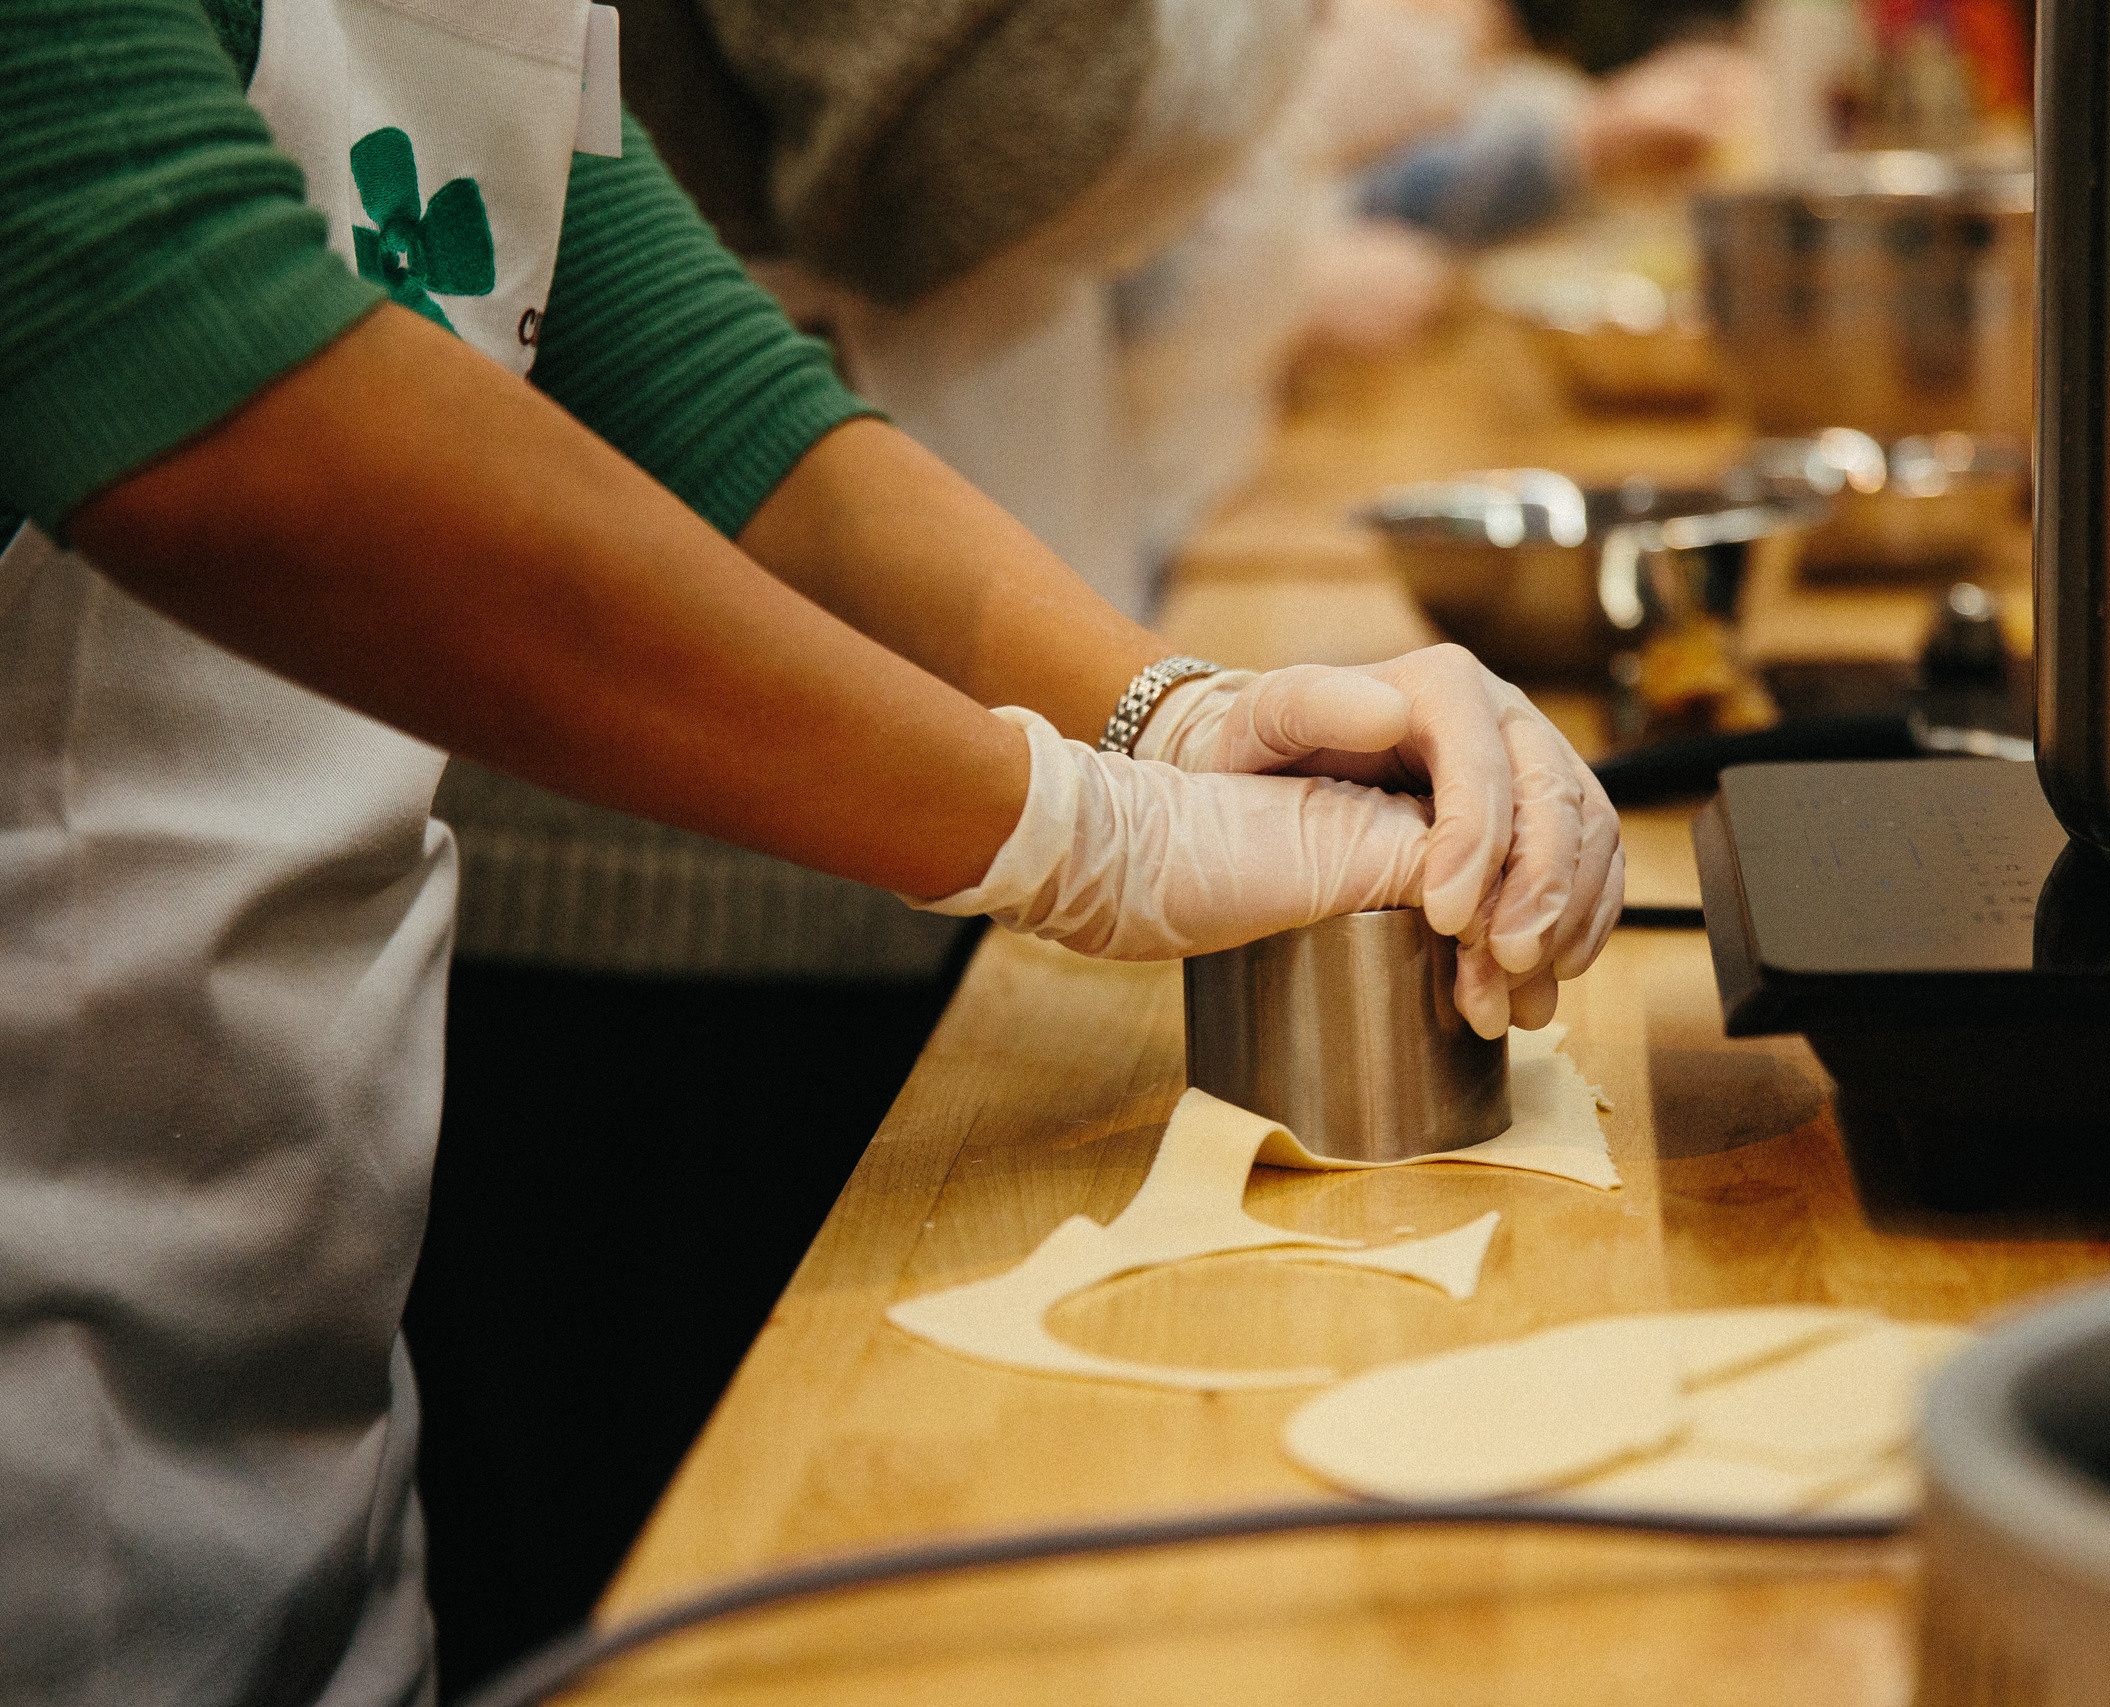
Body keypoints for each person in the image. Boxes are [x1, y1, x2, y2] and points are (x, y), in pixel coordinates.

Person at [0, 4, 1624, 1706]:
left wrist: (1171, 714)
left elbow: (662, 350)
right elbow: (169, 345)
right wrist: (1071, 825)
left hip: (288, 1281)